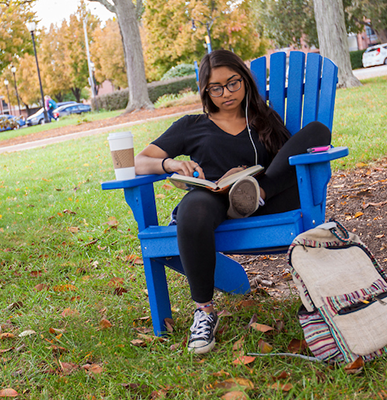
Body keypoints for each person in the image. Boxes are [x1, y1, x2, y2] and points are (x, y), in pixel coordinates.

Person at [135, 49, 331, 354]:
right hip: (214, 197)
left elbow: (292, 157)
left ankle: (253, 193)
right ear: (205, 90)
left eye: (233, 83)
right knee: (192, 209)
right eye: (216, 88)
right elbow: (140, 161)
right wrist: (170, 165)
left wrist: (253, 180)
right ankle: (204, 311)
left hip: (264, 199)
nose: (226, 93)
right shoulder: (192, 125)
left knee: (316, 130)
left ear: (245, 81)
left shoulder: (263, 119)